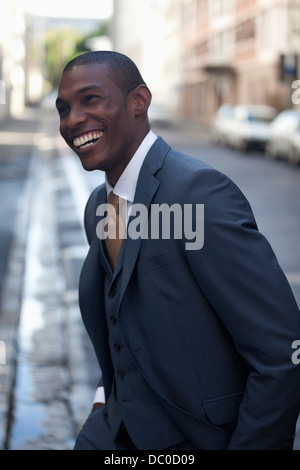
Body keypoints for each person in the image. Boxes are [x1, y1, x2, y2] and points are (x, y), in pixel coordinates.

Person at [56, 50, 300, 450]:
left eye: (91, 99)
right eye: (63, 108)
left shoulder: (198, 193)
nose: (73, 120)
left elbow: (281, 353)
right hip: (115, 433)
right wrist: (104, 403)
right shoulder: (98, 207)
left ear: (139, 101)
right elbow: (121, 325)